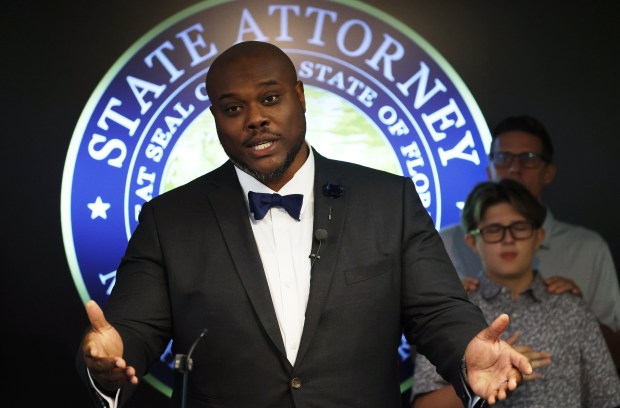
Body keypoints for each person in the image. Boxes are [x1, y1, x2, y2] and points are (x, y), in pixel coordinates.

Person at [76, 41, 532, 408]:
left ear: (299, 95)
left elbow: (436, 311)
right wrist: (105, 361)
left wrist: (468, 353)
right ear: (215, 117)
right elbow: (128, 335)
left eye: (270, 98)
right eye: (233, 109)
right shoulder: (169, 218)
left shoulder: (387, 200)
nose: (255, 119)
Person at [412, 179, 620, 407]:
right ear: (473, 241)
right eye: (493, 230)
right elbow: (423, 405)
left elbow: (607, 398)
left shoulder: (572, 309)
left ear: (538, 236)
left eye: (519, 227)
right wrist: (477, 381)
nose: (508, 239)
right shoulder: (453, 314)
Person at [439, 115, 620, 346]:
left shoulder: (588, 248)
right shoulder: (444, 244)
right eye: (503, 158)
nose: (515, 168)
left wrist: (578, 312)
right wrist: (443, 313)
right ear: (473, 242)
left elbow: (614, 354)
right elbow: (423, 359)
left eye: (529, 158)